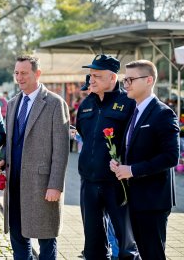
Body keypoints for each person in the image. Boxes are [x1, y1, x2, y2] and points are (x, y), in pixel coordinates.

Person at [0, 55, 70, 259]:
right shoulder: (12, 103)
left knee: (46, 240)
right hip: (15, 183)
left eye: (24, 73)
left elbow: (61, 149)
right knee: (18, 237)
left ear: (37, 73)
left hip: (43, 185)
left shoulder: (55, 103)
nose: (19, 77)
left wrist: (56, 185)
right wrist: (1, 158)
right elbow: (12, 140)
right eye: (16, 73)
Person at [110, 60, 180, 259]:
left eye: (131, 79)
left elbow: (171, 157)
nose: (126, 84)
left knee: (153, 254)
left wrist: (132, 170)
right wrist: (118, 162)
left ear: (149, 80)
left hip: (153, 201)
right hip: (135, 199)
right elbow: (134, 148)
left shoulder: (163, 113)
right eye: (125, 80)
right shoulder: (134, 111)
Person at [76, 54, 140, 259]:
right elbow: (84, 135)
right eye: (91, 74)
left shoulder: (129, 104)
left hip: (117, 184)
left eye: (97, 75)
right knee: (93, 246)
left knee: (126, 245)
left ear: (113, 78)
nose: (91, 79)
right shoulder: (86, 104)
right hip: (89, 182)